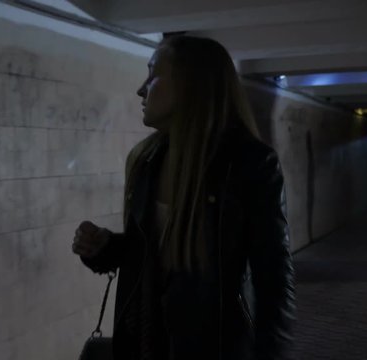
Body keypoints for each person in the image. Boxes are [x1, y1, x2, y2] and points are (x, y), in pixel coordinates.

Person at [71, 36, 296, 360]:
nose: (141, 89)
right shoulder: (146, 160)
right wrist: (105, 248)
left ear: (192, 84)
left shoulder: (249, 163)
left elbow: (273, 277)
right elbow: (149, 253)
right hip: (144, 344)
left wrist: (270, 353)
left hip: (212, 348)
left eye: (153, 74)